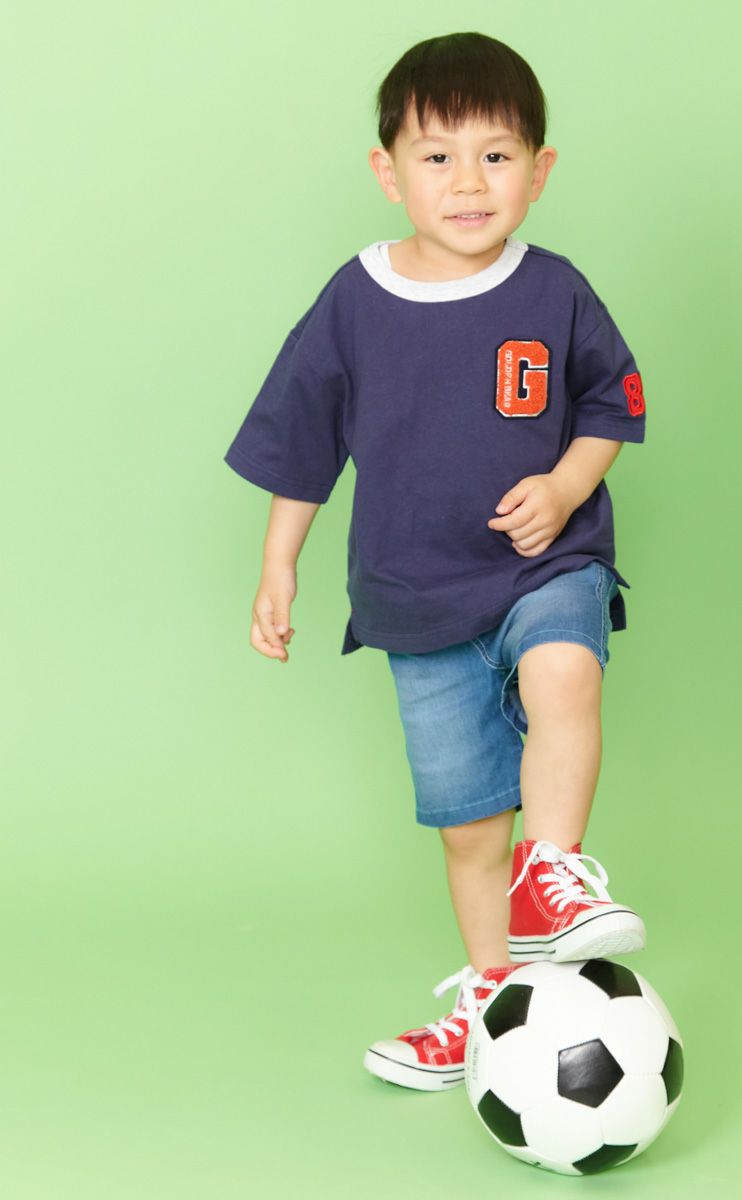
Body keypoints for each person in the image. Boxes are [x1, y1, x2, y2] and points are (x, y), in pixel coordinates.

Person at [223, 31, 649, 1093]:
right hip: (417, 595)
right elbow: (301, 441)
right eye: (438, 157)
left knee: (564, 670)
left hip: (544, 563)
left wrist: (566, 488)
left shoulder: (555, 291)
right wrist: (279, 565)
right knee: (468, 830)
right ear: (389, 172)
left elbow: (611, 405)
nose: (468, 183)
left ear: (539, 172)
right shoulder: (356, 300)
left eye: (496, 156)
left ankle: (553, 872)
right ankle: (491, 1002)